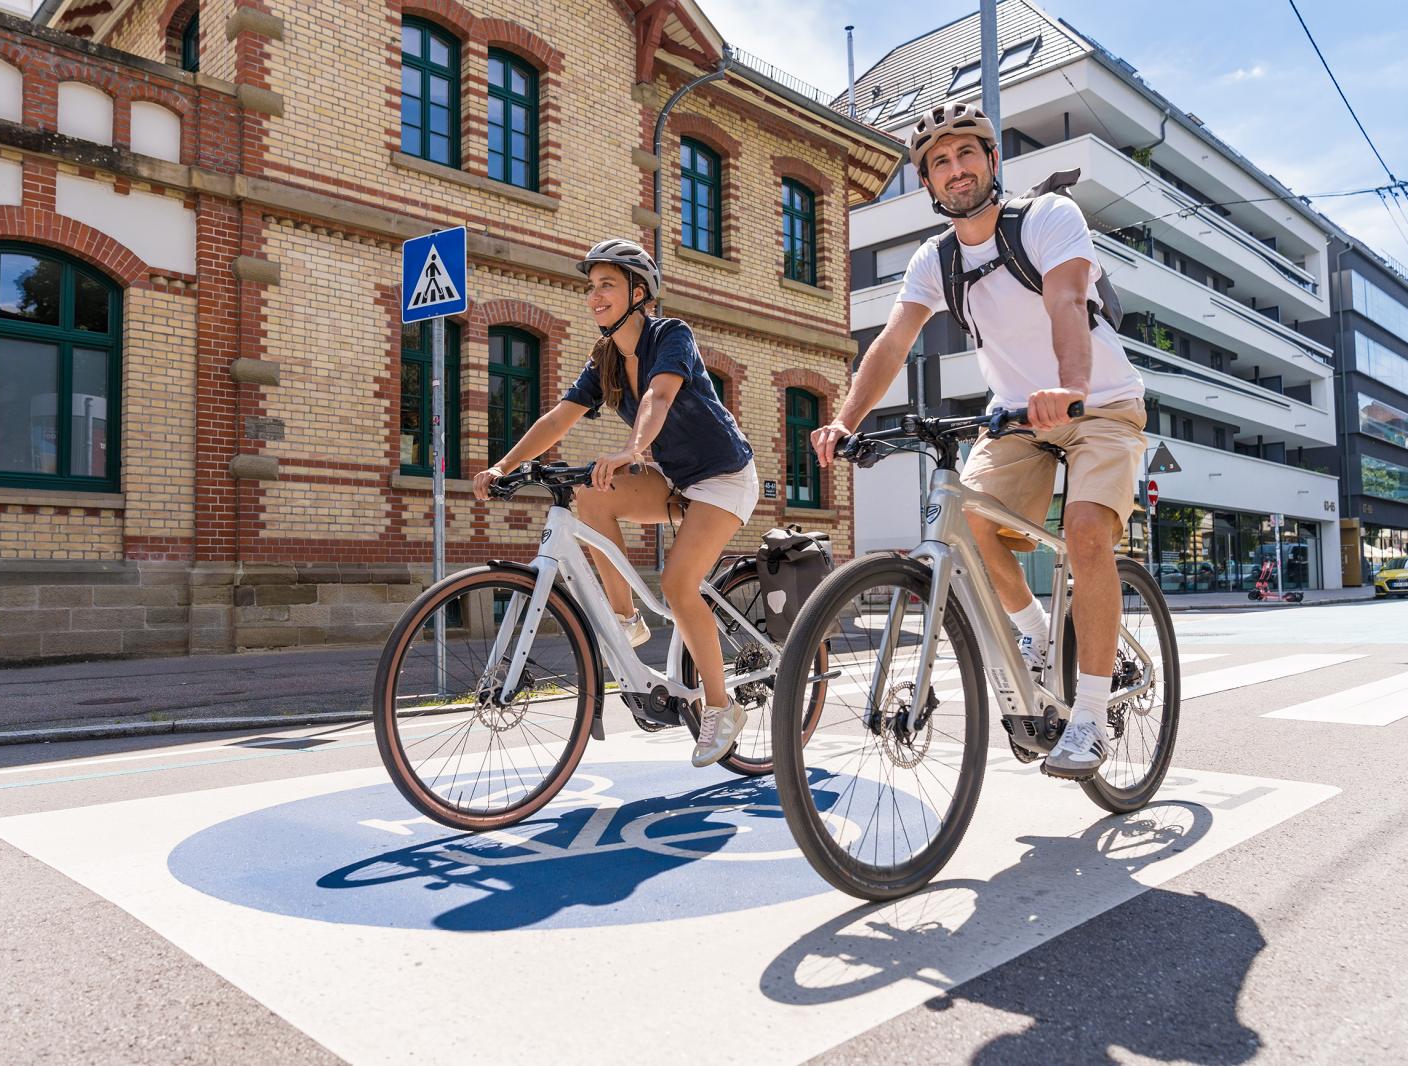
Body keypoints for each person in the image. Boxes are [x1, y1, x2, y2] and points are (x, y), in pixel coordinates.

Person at [810, 103, 1147, 780]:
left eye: (967, 153)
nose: (955, 168)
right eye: (939, 161)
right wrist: (845, 420)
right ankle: (1038, 637)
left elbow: (1065, 301)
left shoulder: (1047, 218)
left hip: (1099, 402)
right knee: (968, 524)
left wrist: (1070, 386)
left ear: (992, 161)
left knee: (1085, 530)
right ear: (927, 183)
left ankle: (1088, 715)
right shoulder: (934, 260)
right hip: (1016, 417)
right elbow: (892, 343)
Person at [473, 239, 760, 768]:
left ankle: (722, 709)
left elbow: (659, 396)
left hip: (724, 478)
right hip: (674, 479)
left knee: (678, 584)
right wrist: (503, 467)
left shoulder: (670, 335)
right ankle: (627, 617)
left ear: (639, 292)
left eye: (607, 284)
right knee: (589, 494)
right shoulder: (604, 359)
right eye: (591, 287)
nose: (595, 296)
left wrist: (633, 448)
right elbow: (559, 418)